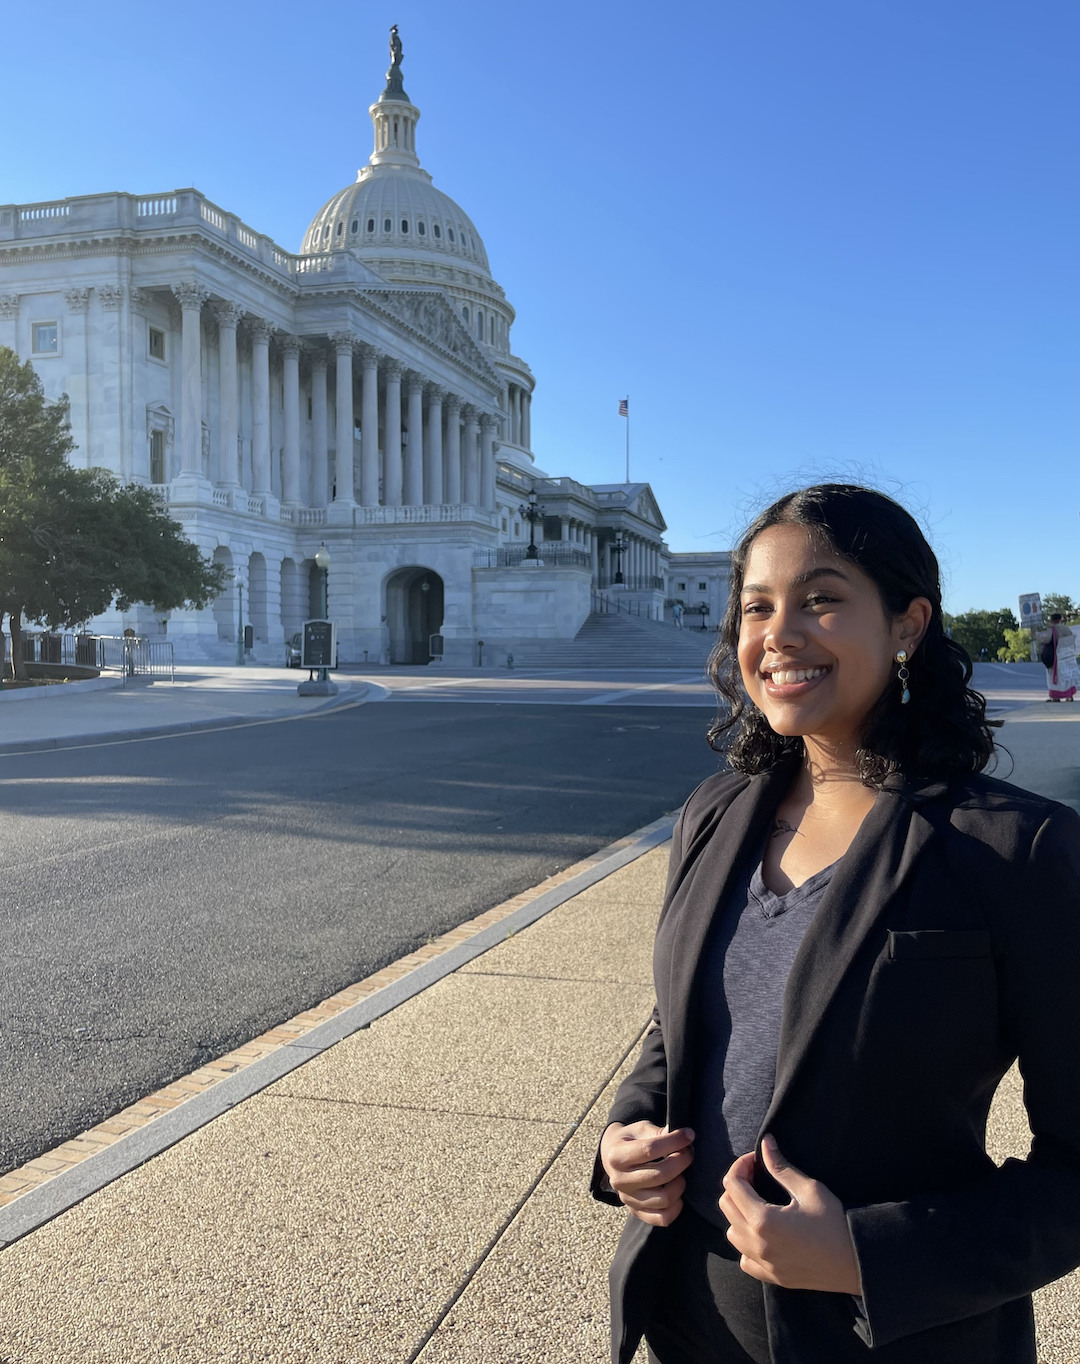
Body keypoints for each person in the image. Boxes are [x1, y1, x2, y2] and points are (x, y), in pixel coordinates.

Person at [592, 484, 1080, 1364]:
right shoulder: (716, 812)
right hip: (685, 1314)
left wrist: (865, 1255)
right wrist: (628, 1132)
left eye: (821, 600)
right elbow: (683, 1026)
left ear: (908, 624)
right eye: (756, 607)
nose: (778, 634)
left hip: (887, 1336)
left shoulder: (1021, 850)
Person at [1035, 611, 1078, 702]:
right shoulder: (1067, 629)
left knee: (1055, 678)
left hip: (1056, 658)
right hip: (1068, 657)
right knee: (1067, 677)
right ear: (1060, 619)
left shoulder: (1053, 630)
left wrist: (1034, 634)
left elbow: (1044, 639)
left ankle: (1056, 696)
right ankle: (1069, 696)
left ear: (1052, 620)